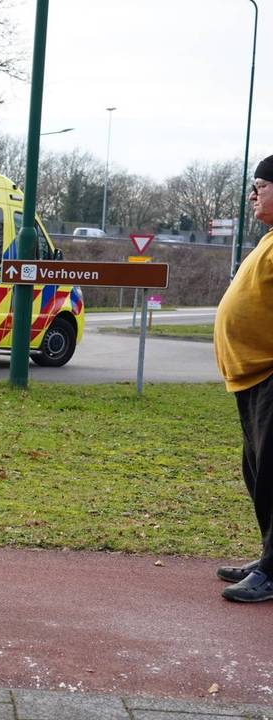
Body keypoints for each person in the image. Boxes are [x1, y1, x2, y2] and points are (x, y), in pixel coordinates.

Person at [214, 154, 273, 603]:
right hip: (252, 377)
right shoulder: (269, 240)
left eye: (260, 186)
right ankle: (270, 556)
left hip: (270, 375)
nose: (252, 194)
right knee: (257, 471)